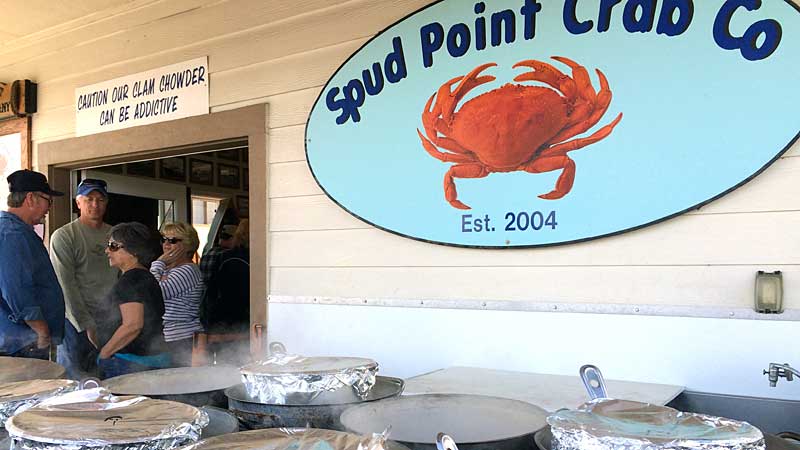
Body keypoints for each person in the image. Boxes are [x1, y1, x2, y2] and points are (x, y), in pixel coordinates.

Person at [50, 179, 118, 378]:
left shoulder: (115, 234)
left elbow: (125, 273)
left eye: (100, 199)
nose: (95, 205)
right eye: (89, 199)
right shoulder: (64, 236)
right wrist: (86, 323)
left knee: (108, 380)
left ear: (106, 203)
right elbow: (65, 284)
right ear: (78, 203)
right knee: (74, 381)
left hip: (110, 317)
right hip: (75, 320)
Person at [0, 170, 65, 359]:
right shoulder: (12, 234)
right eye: (48, 200)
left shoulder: (19, 231)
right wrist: (41, 330)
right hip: (20, 343)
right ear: (31, 198)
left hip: (23, 341)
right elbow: (16, 289)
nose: (49, 207)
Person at [96, 222, 168, 378]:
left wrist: (104, 353)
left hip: (132, 364)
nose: (107, 250)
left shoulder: (131, 279)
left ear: (133, 250)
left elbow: (133, 325)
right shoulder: (144, 276)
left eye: (113, 246)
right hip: (149, 359)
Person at [150, 222, 204, 366]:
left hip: (182, 339)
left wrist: (159, 263)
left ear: (187, 245)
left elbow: (152, 293)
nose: (166, 245)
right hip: (169, 337)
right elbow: (147, 288)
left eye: (173, 241)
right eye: (164, 240)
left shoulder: (188, 270)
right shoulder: (168, 270)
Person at [201, 220, 250, 365]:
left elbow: (211, 288)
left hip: (219, 317)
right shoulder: (251, 259)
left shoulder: (219, 255)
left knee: (224, 363)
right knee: (240, 361)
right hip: (240, 320)